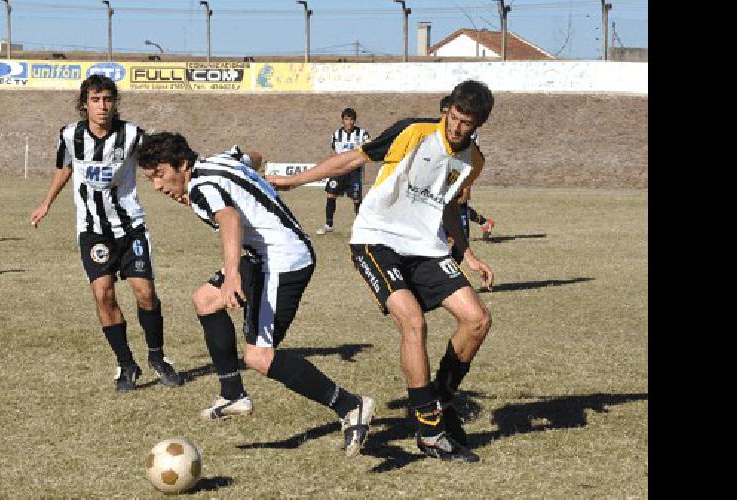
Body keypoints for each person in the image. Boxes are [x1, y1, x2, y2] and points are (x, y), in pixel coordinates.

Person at [267, 79, 497, 462]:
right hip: (377, 238)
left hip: (425, 246)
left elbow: (450, 203)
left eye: (466, 123)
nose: (456, 128)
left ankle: (438, 400)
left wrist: (468, 252)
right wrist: (294, 180)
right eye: (454, 118)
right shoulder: (414, 132)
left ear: (478, 125)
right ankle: (429, 432)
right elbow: (353, 159)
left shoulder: (474, 160)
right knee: (413, 322)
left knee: (477, 320)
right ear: (447, 110)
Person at [136, 132, 376, 457]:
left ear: (181, 164)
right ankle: (233, 394)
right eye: (150, 178)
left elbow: (229, 219)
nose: (157, 186)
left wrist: (232, 272)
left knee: (259, 356)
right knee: (206, 300)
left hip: (282, 260)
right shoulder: (219, 160)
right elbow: (255, 156)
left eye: (160, 175)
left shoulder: (201, 186)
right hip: (265, 255)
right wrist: (252, 187)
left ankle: (351, 405)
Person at [29, 74, 183, 392]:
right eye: (95, 100)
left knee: (144, 293)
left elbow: (158, 163)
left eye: (108, 99)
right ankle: (126, 364)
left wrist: (177, 187)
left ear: (115, 103)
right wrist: (46, 203)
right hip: (92, 229)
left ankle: (158, 357)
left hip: (130, 227)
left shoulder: (132, 136)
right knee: (103, 293)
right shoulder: (70, 135)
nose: (102, 106)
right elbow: (65, 167)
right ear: (84, 104)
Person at [439, 95, 495, 244]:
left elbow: (469, 159)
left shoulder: (468, 133)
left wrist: (467, 187)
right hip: (445, 170)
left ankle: (462, 238)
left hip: (458, 170)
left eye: (447, 113)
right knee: (444, 201)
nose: (446, 117)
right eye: (444, 114)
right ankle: (482, 223)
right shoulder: (440, 130)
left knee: (457, 201)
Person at [315, 108, 371, 235]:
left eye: (351, 119)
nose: (349, 122)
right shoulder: (336, 134)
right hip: (338, 171)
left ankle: (361, 227)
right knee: (331, 195)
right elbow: (334, 153)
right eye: (346, 119)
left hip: (354, 171)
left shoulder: (363, 134)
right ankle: (329, 224)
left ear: (354, 121)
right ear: (342, 120)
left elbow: (367, 151)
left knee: (356, 199)